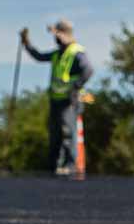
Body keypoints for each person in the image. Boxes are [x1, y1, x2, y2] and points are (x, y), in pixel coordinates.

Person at [21, 19, 94, 177]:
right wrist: (27, 44)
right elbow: (39, 56)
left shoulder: (76, 52)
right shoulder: (57, 54)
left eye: (56, 35)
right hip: (56, 99)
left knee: (68, 132)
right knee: (55, 134)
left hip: (70, 100)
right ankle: (52, 166)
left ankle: (70, 165)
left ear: (63, 35)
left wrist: (75, 88)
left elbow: (88, 70)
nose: (55, 38)